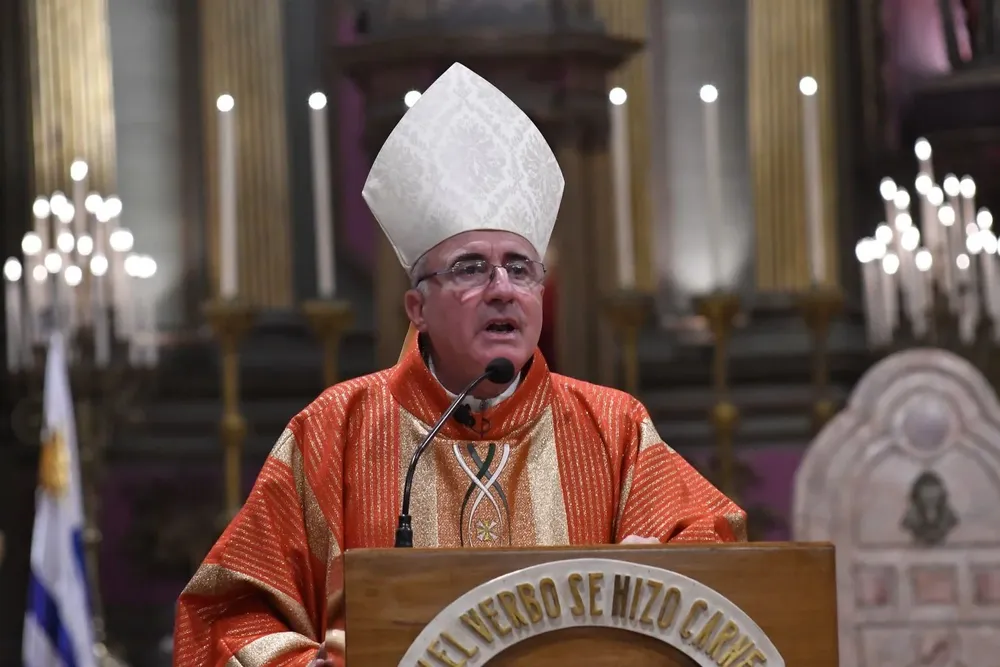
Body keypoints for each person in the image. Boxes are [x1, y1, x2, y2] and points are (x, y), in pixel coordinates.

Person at [172, 62, 746, 667]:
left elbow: (716, 560)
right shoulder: (334, 430)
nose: (502, 289)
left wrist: (661, 571)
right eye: (471, 268)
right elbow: (228, 614)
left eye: (520, 268)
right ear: (417, 308)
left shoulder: (613, 426)